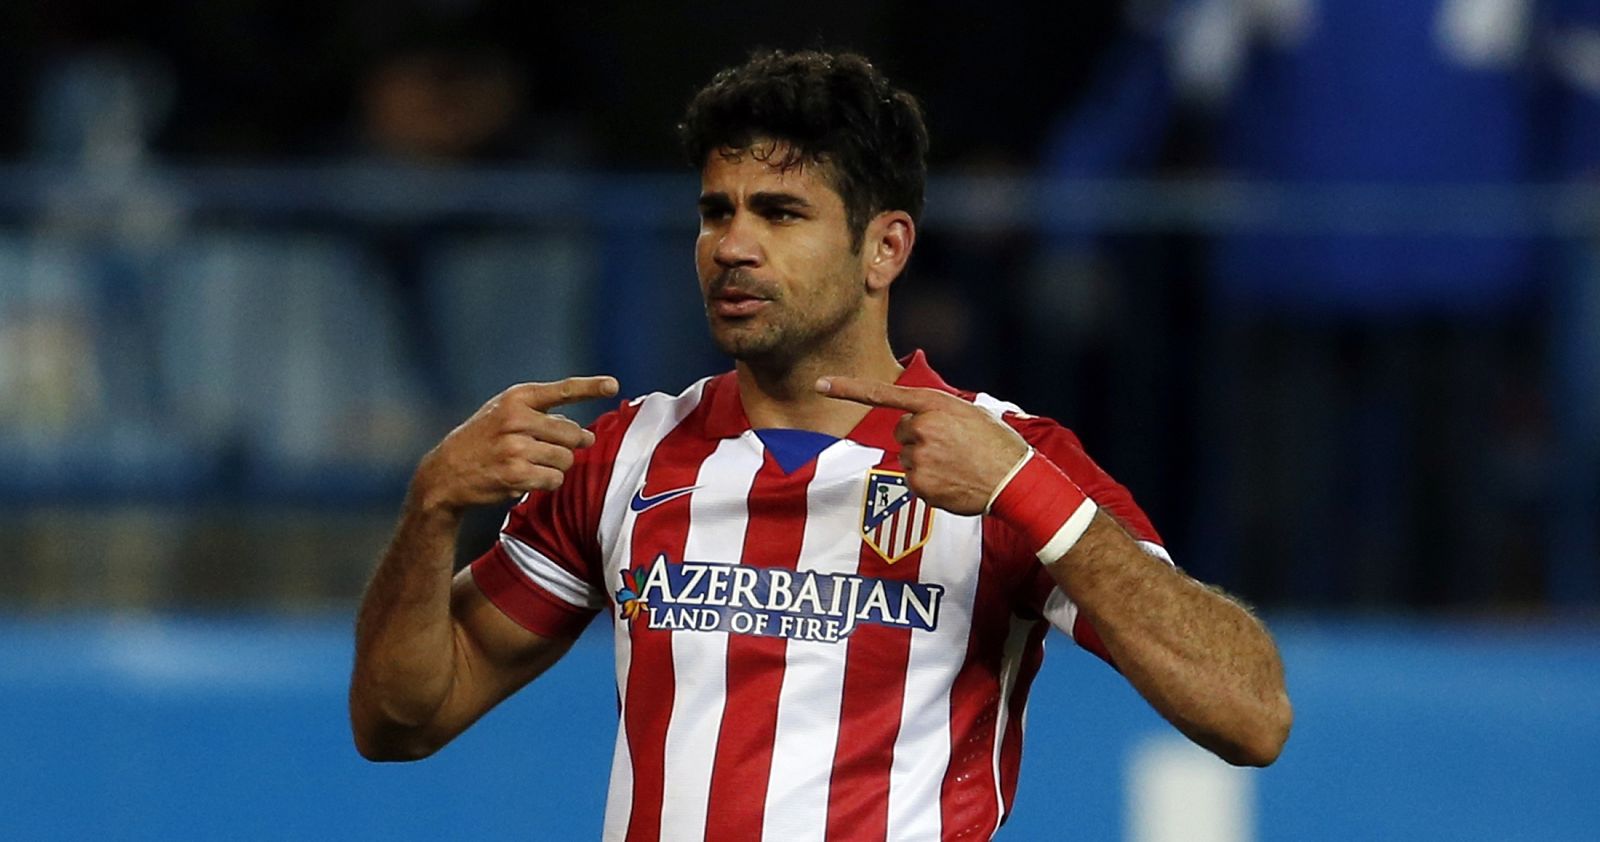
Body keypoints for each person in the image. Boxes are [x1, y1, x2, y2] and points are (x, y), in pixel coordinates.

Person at [349, 49, 1291, 840]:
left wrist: (1031, 499)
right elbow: (403, 720)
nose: (733, 245)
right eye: (718, 211)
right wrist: (433, 505)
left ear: (885, 249)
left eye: (781, 213)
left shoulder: (1006, 457)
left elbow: (1249, 715)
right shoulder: (625, 456)